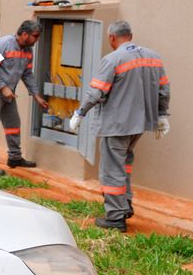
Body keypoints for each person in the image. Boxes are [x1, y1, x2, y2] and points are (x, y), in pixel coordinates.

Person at [69, 20, 170, 233]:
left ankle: (115, 217)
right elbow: (163, 90)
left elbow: (97, 92)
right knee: (125, 164)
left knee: (112, 169)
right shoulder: (153, 57)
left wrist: (80, 112)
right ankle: (125, 205)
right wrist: (162, 115)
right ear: (130, 35)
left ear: (112, 38)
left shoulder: (113, 59)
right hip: (140, 125)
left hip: (117, 124)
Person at [0, 20, 49, 175]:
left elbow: (27, 74)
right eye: (35, 36)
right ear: (24, 34)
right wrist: (3, 88)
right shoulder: (3, 45)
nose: (37, 40)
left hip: (8, 92)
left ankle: (15, 158)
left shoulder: (27, 51)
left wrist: (36, 95)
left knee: (13, 125)